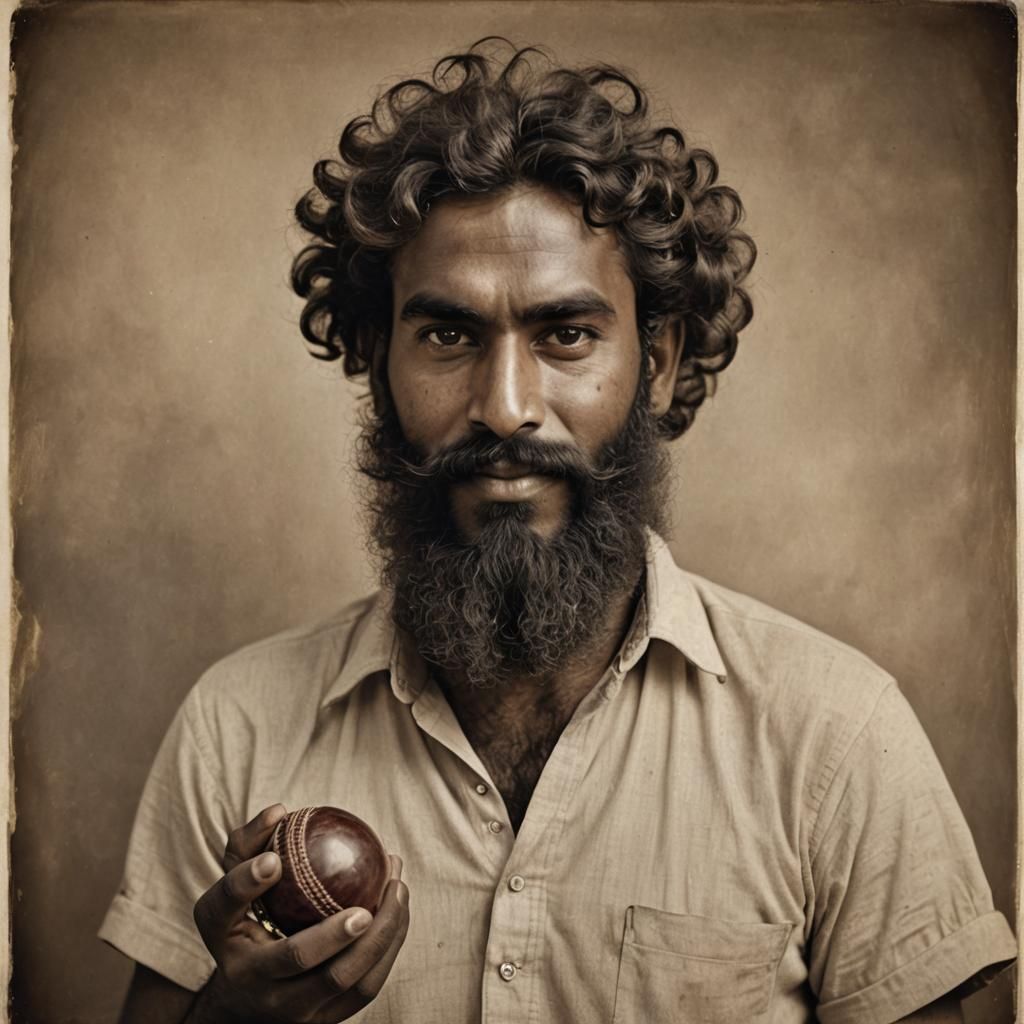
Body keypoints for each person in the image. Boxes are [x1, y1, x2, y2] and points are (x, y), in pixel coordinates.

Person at [101, 42, 1015, 1024]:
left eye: (565, 334)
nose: (504, 408)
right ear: (375, 358)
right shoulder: (236, 727)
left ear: (657, 362)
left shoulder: (836, 735)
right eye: (448, 335)